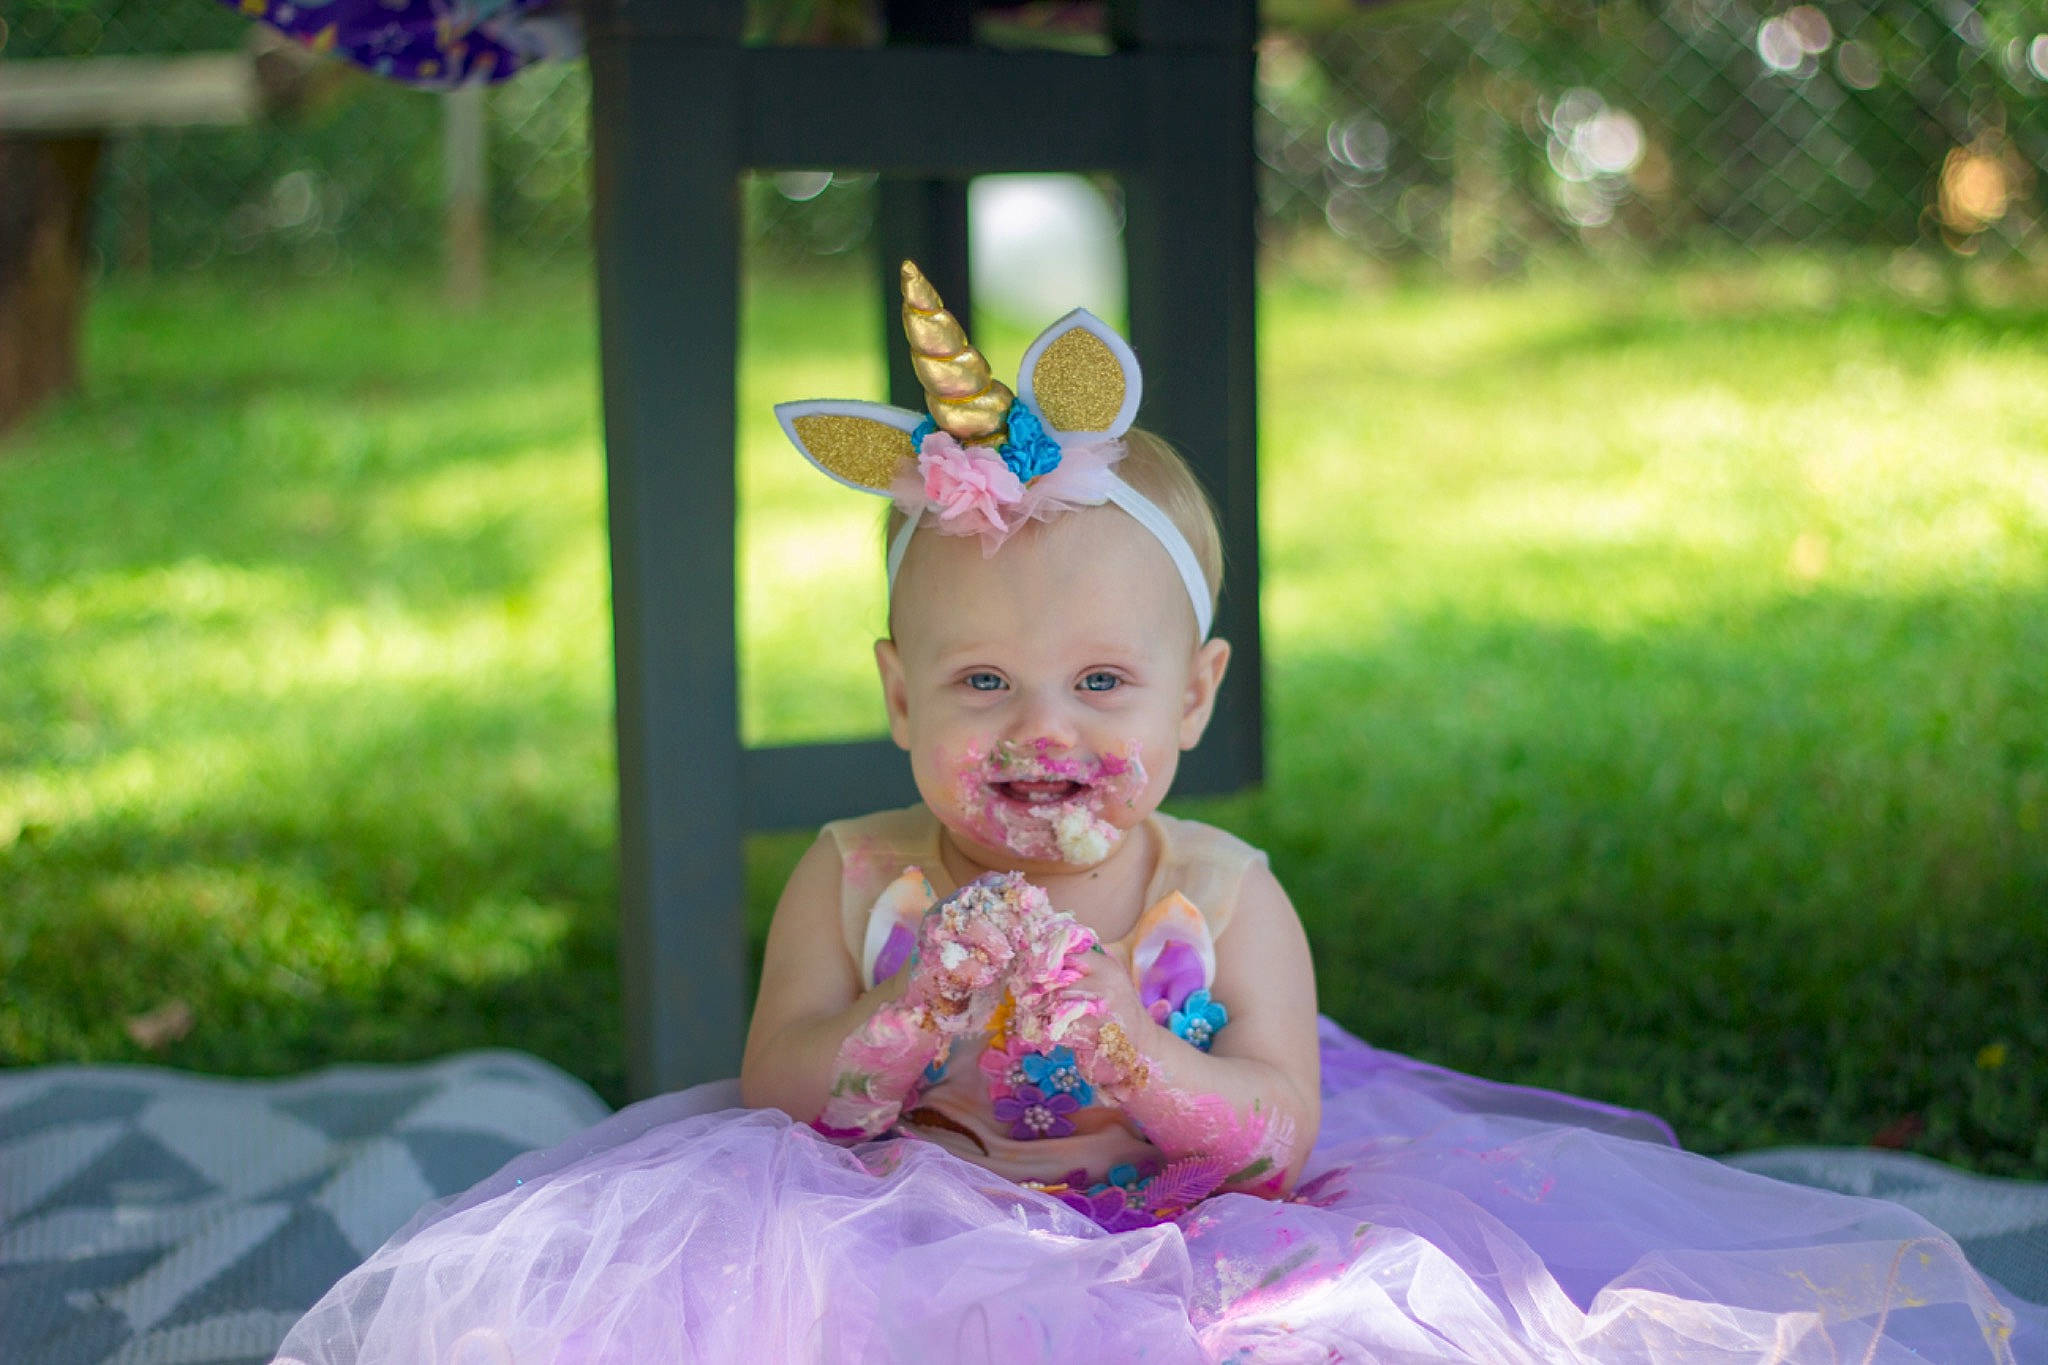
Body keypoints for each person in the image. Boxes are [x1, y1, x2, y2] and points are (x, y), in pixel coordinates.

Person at [273, 265, 2042, 1365]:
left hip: (1179, 1233)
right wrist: (906, 1018)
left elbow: (1276, 1125)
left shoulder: (1220, 891)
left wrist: (1135, 1051)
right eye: (981, 684)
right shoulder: (859, 874)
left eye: (1102, 685)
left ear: (1194, 698)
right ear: (898, 696)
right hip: (902, 1219)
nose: (1040, 730)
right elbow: (779, 1085)